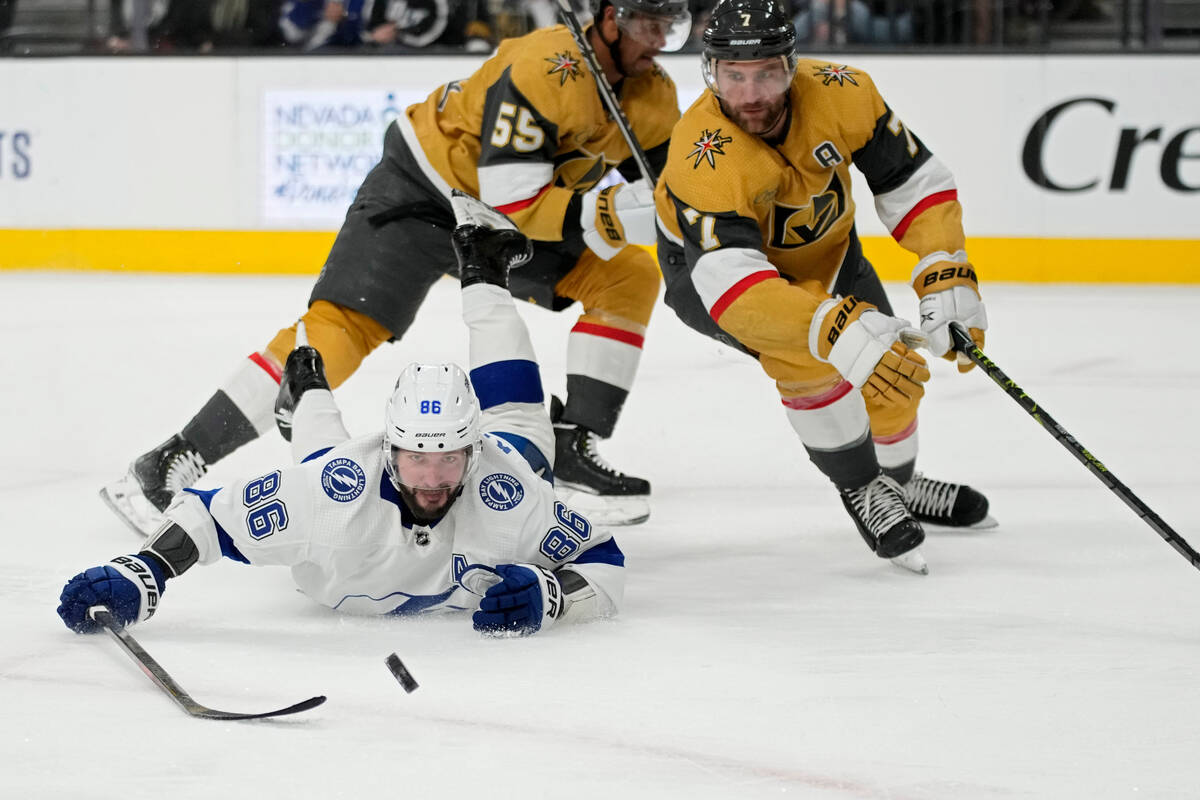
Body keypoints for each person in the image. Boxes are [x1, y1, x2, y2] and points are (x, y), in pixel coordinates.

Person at [99, 0, 692, 534]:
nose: (659, 38)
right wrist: (614, 213)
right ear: (608, 19)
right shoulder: (543, 66)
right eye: (647, 22)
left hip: (496, 224)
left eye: (669, 24)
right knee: (341, 329)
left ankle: (568, 452)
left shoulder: (655, 97)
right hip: (423, 192)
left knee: (628, 277)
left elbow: (682, 192)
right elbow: (514, 199)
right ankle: (171, 461)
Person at [60, 193, 625, 637]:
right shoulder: (334, 490)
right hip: (336, 490)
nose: (431, 478)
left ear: (474, 453)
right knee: (324, 468)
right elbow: (209, 517)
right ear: (388, 448)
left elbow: (603, 560)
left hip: (417, 488)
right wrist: (143, 574)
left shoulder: (510, 492)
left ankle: (476, 272)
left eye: (449, 458)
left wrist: (552, 597)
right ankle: (311, 391)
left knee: (521, 431)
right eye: (415, 458)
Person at [653, 0, 992, 573]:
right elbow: (736, 287)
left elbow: (911, 181)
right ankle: (862, 486)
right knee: (808, 362)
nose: (751, 92)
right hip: (713, 277)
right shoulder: (702, 155)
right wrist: (827, 328)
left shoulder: (844, 92)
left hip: (830, 252)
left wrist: (944, 265)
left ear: (791, 65)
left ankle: (901, 484)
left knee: (895, 374)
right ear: (711, 72)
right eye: (735, 76)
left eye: (766, 73)